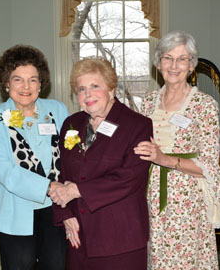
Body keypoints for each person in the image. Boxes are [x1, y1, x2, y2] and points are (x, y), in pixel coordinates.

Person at [134, 30, 220, 269]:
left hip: (186, 197)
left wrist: (164, 159)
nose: (174, 65)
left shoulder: (204, 105)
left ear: (192, 65)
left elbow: (209, 165)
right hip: (149, 192)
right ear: (158, 63)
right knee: (154, 254)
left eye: (182, 59)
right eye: (168, 57)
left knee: (183, 258)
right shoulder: (147, 102)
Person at [50, 57, 153, 270]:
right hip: (78, 234)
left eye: (95, 86)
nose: (87, 94)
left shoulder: (137, 125)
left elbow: (129, 179)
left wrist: (77, 190)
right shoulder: (71, 123)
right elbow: (60, 173)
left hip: (120, 237)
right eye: (81, 89)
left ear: (111, 89)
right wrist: (65, 214)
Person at [0, 45, 69, 270]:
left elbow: (71, 153)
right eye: (18, 79)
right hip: (15, 210)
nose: (26, 87)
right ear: (6, 83)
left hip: (55, 208)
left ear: (41, 83)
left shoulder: (58, 110)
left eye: (33, 79)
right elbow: (6, 172)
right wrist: (49, 187)